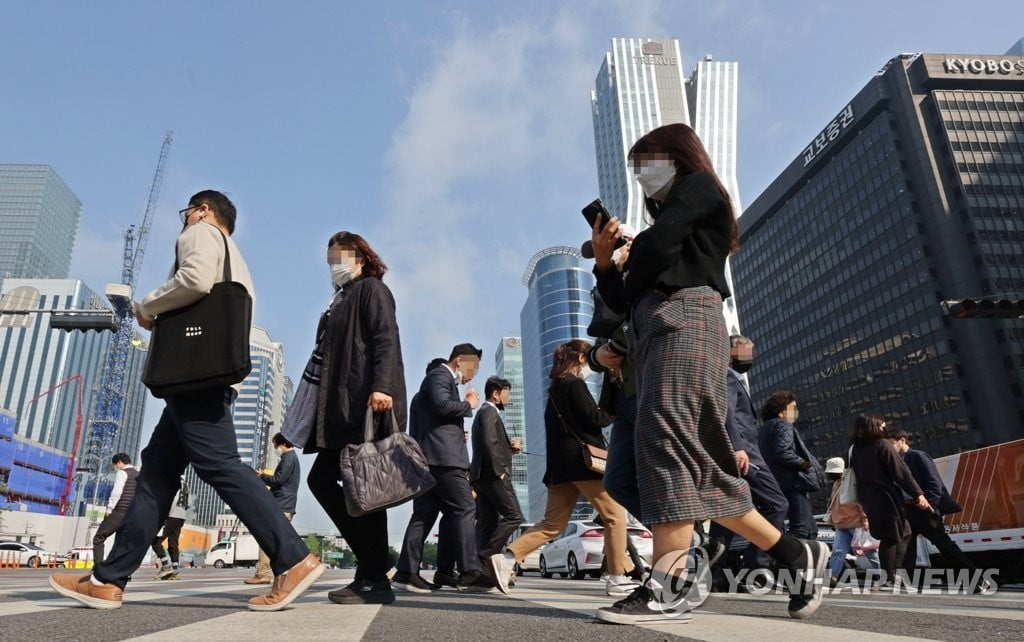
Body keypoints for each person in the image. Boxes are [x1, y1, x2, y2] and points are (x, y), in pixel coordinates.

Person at [583, 123, 829, 624]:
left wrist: (636, 254)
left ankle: (669, 585)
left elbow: (655, 253)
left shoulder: (699, 188)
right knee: (698, 462)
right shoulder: (663, 229)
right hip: (656, 335)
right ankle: (795, 554)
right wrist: (608, 262)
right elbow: (618, 302)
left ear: (675, 155)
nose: (643, 176)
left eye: (647, 162)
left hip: (686, 321)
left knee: (667, 446)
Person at [50, 190, 321, 611]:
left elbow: (194, 279)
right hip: (202, 379)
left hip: (194, 378)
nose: (186, 219)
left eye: (188, 212)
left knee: (219, 464)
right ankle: (108, 580)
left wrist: (148, 309)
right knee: (156, 476)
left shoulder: (200, 233)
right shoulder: (235, 256)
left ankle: (294, 558)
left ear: (204, 210)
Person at [299, 231, 406, 606]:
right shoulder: (339, 299)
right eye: (331, 259)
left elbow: (385, 338)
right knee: (351, 488)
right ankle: (374, 569)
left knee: (361, 489)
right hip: (342, 406)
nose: (335, 264)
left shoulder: (372, 289)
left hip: (365, 402)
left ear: (361, 257)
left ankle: (374, 573)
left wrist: (382, 386)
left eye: (340, 256)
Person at [489, 340, 636, 597]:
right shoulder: (574, 383)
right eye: (588, 356)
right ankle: (616, 577)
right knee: (614, 516)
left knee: (552, 524)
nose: (591, 362)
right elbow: (596, 419)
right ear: (580, 358)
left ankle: (508, 558)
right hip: (582, 464)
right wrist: (615, 404)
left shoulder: (556, 387)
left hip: (560, 468)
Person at [395, 343, 493, 593]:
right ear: (460, 360)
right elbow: (443, 407)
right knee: (465, 506)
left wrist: (456, 433)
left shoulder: (432, 383)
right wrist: (469, 405)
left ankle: (410, 572)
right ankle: (470, 571)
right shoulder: (440, 375)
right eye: (474, 367)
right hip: (442, 459)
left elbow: (436, 418)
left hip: (433, 458)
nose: (473, 374)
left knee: (427, 515)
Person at [710, 337, 789, 587]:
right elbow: (727, 411)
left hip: (734, 450)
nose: (750, 355)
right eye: (747, 349)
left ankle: (717, 574)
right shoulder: (726, 373)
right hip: (744, 451)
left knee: (726, 512)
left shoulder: (724, 372)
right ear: (732, 348)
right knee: (776, 503)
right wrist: (738, 446)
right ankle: (757, 568)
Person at [886, 429, 988, 590]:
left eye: (891, 443)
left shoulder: (917, 456)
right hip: (907, 510)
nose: (889, 448)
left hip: (924, 509)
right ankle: (909, 583)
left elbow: (935, 483)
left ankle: (978, 580)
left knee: (945, 546)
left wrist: (930, 505)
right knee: (906, 549)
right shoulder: (896, 462)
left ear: (902, 440)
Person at [849, 414, 929, 590]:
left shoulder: (856, 449)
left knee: (904, 532)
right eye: (882, 427)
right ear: (874, 426)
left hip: (868, 498)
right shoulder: (881, 445)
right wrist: (918, 494)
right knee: (891, 536)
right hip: (886, 496)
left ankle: (893, 576)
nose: (884, 430)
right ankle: (889, 579)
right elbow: (900, 471)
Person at [470, 377, 524, 560]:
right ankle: (487, 556)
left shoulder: (484, 413)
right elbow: (488, 441)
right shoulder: (489, 412)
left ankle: (479, 569)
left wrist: (509, 449)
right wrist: (500, 470)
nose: (508, 399)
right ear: (495, 394)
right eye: (507, 394)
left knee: (489, 521)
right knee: (514, 516)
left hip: (482, 477)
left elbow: (492, 443)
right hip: (493, 475)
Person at [759, 391, 822, 541]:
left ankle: (805, 562)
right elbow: (782, 452)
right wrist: (805, 465)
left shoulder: (765, 428)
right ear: (781, 412)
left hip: (779, 481)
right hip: (793, 482)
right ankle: (777, 555)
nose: (796, 411)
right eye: (793, 408)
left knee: (810, 530)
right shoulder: (783, 425)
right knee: (800, 530)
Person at [245, 433, 301, 585]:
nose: (276, 448)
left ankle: (262, 574)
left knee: (268, 538)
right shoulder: (292, 458)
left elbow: (278, 480)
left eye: (276, 445)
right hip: (286, 504)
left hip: (281, 504)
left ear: (282, 444)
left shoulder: (288, 458)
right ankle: (288, 571)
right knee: (279, 541)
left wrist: (262, 476)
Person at [824, 457, 879, 587]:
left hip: (856, 522)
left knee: (869, 551)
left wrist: (865, 519)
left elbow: (860, 500)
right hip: (841, 524)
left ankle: (885, 576)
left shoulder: (851, 481)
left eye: (832, 472)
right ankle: (833, 576)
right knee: (838, 551)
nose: (830, 474)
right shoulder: (836, 483)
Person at [91, 453, 139, 566]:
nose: (115, 467)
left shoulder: (122, 473)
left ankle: (98, 568)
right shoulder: (138, 474)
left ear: (119, 462)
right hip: (132, 514)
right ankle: (120, 571)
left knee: (98, 538)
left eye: (115, 465)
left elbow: (116, 493)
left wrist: (109, 511)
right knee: (121, 542)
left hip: (119, 511)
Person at [152, 476, 189, 580]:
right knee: (173, 542)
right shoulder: (186, 484)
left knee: (155, 540)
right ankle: (175, 570)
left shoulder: (174, 481)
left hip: (172, 515)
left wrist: (166, 513)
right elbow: (189, 502)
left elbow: (173, 498)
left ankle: (166, 566)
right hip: (181, 516)